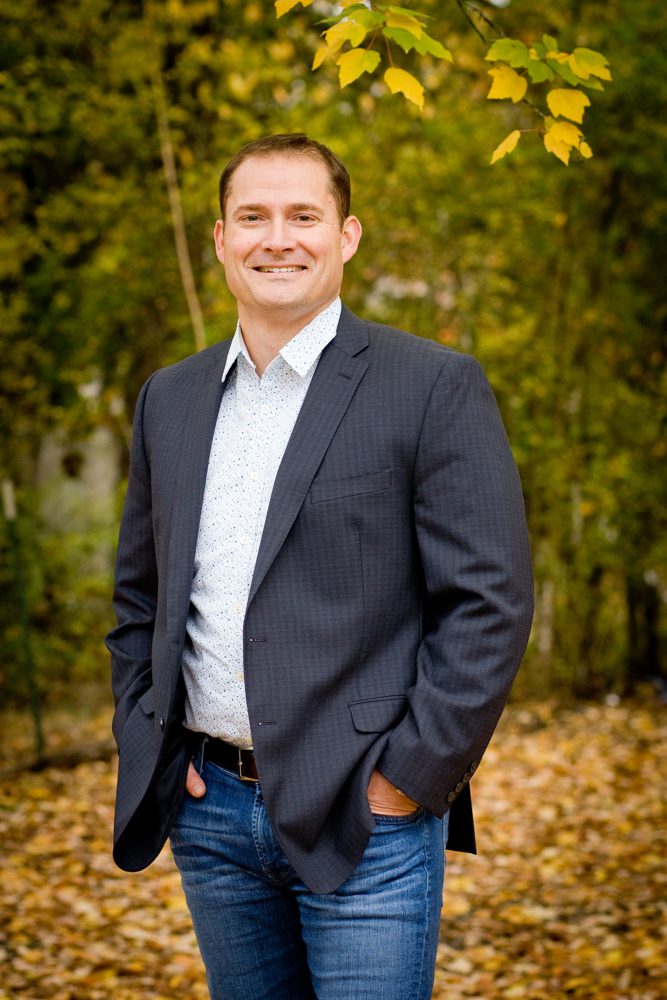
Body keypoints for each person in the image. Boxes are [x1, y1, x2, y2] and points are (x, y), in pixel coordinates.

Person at [107, 133, 533, 1000]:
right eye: (252, 217)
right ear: (220, 240)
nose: (278, 238)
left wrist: (409, 780)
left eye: (304, 216)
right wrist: (151, 740)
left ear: (346, 236)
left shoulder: (430, 384)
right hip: (211, 809)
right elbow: (138, 599)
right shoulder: (170, 397)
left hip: (364, 814)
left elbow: (488, 602)